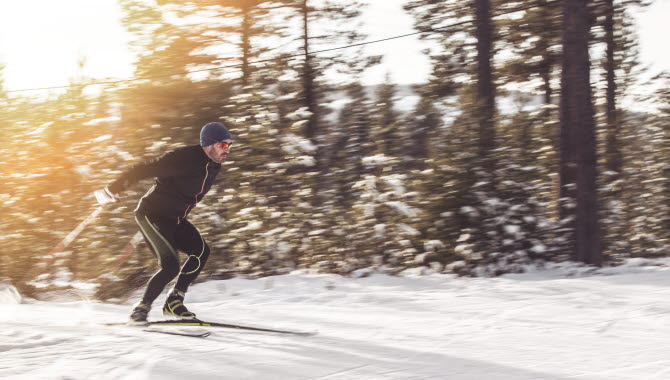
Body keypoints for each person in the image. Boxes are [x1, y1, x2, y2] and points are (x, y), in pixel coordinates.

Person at [94, 122, 233, 324]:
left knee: (201, 252)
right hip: (152, 215)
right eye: (223, 145)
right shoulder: (185, 158)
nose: (227, 150)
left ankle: (174, 302)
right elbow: (145, 169)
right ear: (208, 143)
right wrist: (112, 189)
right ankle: (141, 308)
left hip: (175, 218)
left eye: (230, 145)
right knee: (171, 266)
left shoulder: (214, 165)